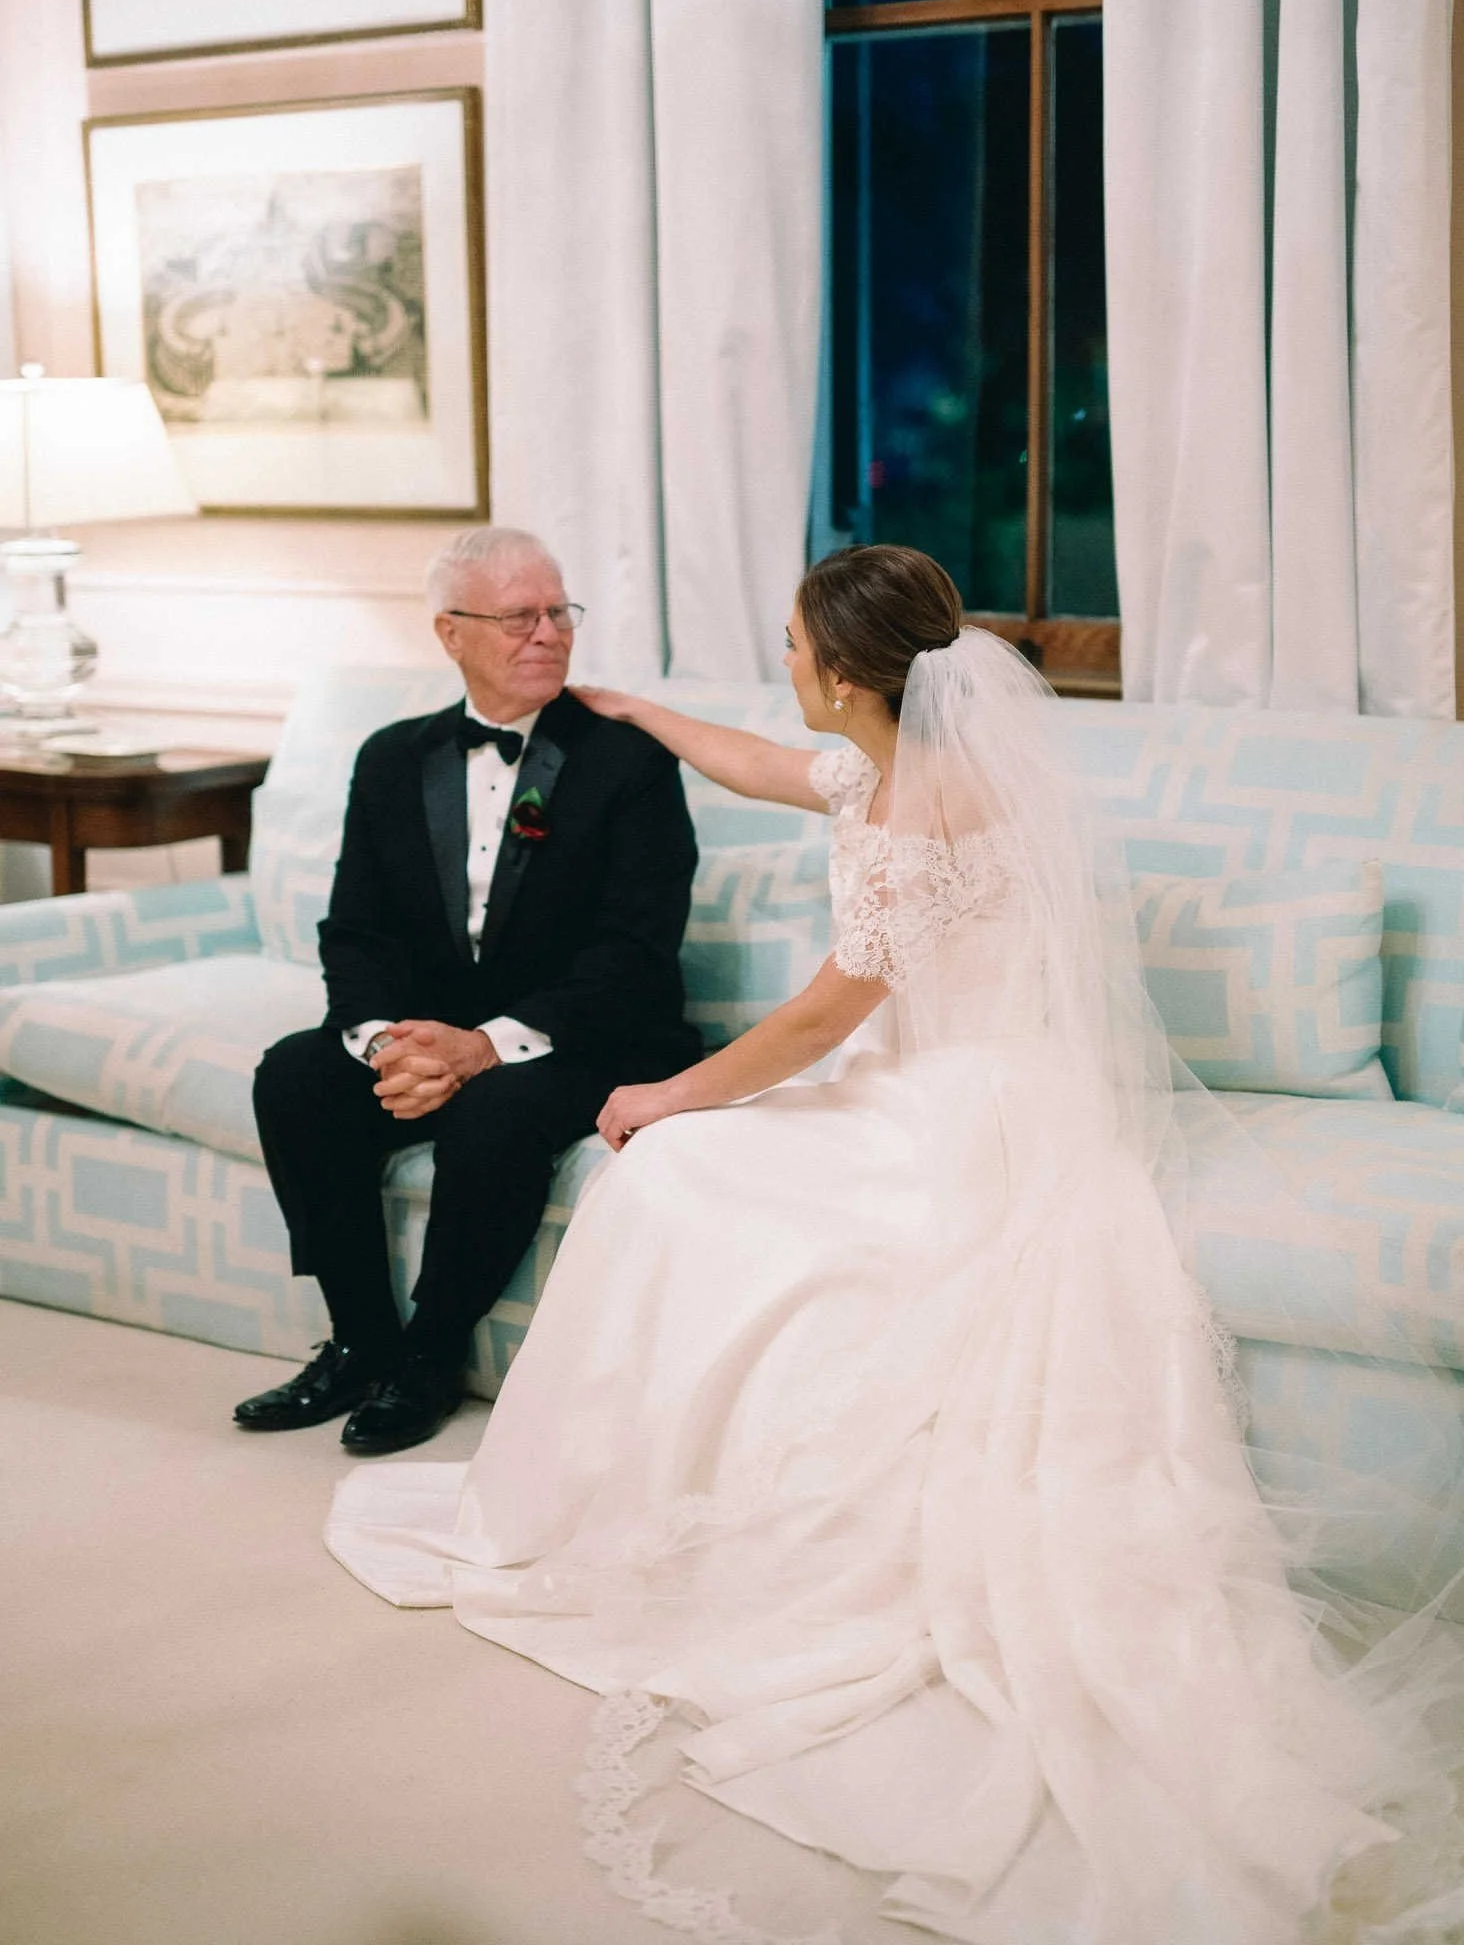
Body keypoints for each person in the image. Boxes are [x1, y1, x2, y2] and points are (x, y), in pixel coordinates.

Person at [327, 545, 1464, 1942]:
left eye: (794, 646)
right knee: (679, 1179)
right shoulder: (885, 761)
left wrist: (668, 1094)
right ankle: (626, 1476)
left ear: (849, 675)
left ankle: (659, 1503)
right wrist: (632, 709)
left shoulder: (927, 803)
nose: (785, 665)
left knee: (672, 1170)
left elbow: (824, 1015)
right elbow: (761, 763)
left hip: (966, 1108)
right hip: (924, 1081)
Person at [236, 526, 701, 1456]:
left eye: (559, 612)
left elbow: (634, 955)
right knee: (294, 1074)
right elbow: (356, 931)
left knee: (497, 1111)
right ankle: (361, 1342)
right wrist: (386, 1045)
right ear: (451, 632)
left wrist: (484, 1047)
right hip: (437, 1033)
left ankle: (430, 1355)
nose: (549, 634)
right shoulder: (390, 757)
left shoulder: (630, 762)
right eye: (520, 617)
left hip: (588, 1038)